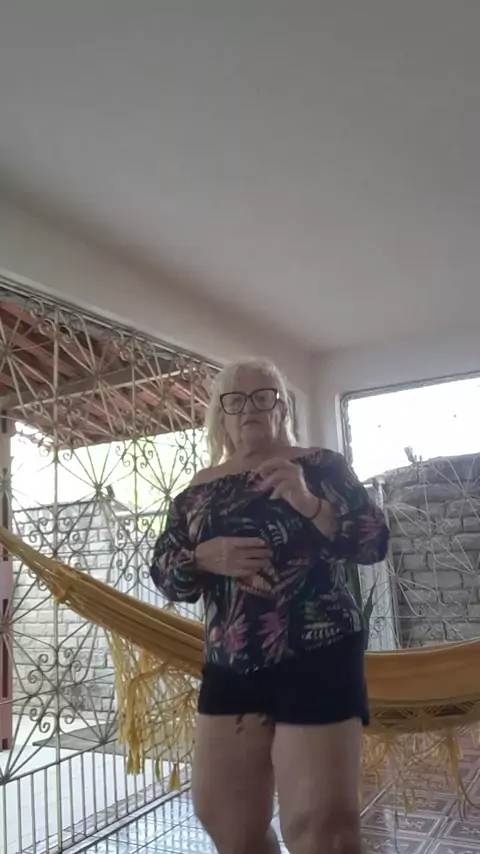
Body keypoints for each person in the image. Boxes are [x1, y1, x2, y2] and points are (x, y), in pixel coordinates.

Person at [150, 358, 389, 854]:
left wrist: (310, 504)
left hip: (318, 657)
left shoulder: (321, 466)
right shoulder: (198, 489)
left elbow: (373, 542)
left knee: (322, 828)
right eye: (235, 400)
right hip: (231, 666)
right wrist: (203, 558)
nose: (250, 409)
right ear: (221, 415)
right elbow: (166, 572)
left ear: (282, 407)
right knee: (225, 821)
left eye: (263, 396)